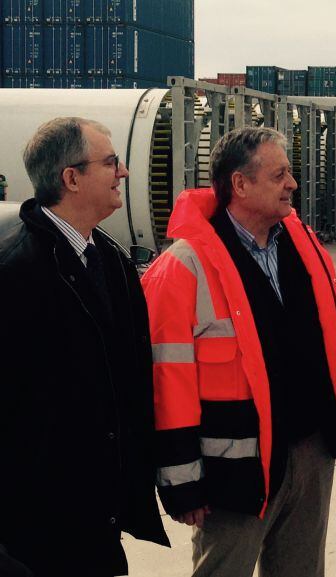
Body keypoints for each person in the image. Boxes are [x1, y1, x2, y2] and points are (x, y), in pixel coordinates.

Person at [141, 126, 336, 577]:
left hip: (310, 453)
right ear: (240, 184)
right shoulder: (181, 268)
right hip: (233, 472)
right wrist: (182, 484)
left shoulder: (305, 247)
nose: (293, 184)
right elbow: (166, 383)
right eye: (280, 175)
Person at [0, 117, 169, 577]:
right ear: (71, 179)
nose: (124, 172)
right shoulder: (17, 274)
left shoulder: (110, 260)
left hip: (99, 517)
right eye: (111, 162)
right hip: (39, 533)